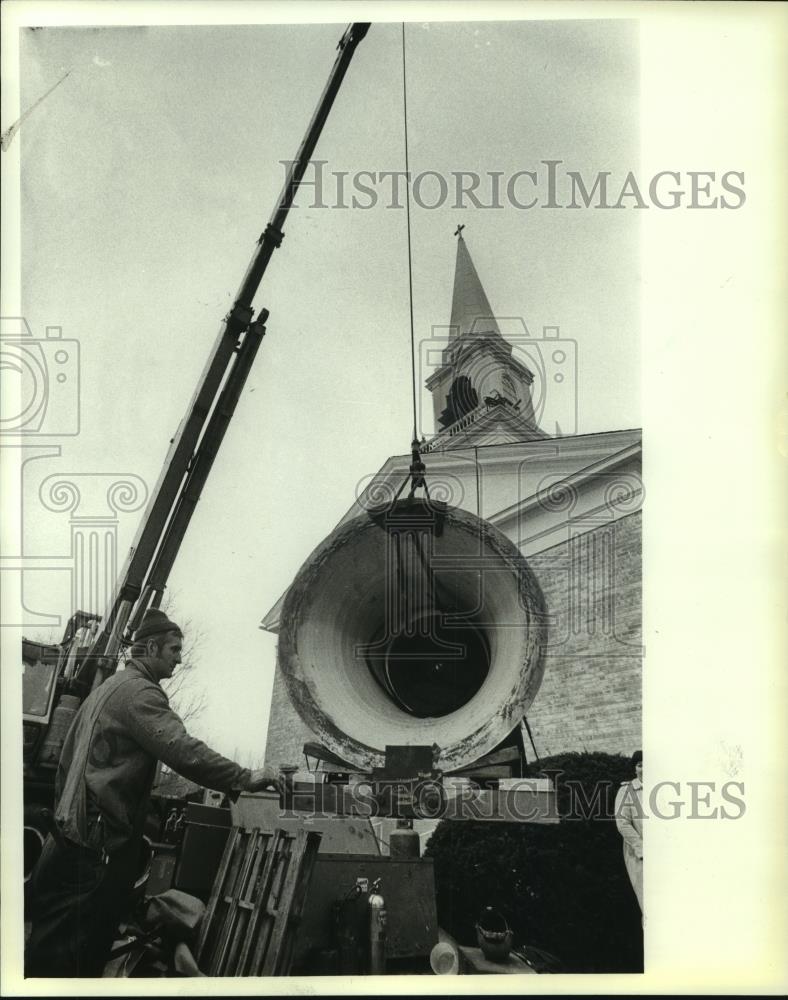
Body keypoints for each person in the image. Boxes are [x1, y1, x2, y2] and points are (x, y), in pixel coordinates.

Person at [25, 608, 280, 977]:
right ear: (149, 648)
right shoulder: (140, 694)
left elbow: (65, 763)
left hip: (67, 840)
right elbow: (182, 750)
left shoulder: (105, 690)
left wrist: (71, 815)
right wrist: (245, 777)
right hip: (96, 850)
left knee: (50, 950)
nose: (179, 657)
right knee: (77, 956)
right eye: (173, 649)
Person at [615, 749, 644, 915]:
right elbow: (623, 823)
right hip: (639, 856)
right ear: (635, 768)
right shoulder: (627, 791)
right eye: (640, 765)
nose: (644, 769)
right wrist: (641, 848)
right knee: (647, 904)